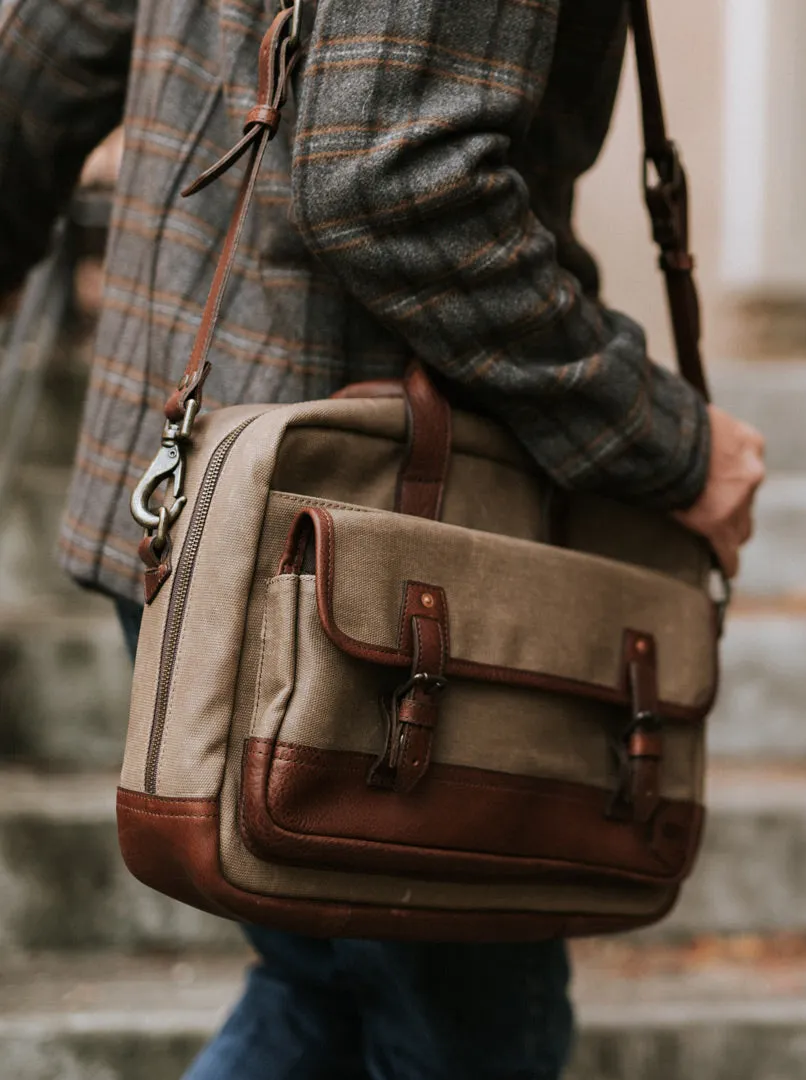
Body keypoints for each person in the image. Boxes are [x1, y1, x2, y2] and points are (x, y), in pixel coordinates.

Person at [0, 0, 765, 1076]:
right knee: (461, 1032)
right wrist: (674, 443)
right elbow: (396, 184)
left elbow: (55, 48)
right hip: (337, 531)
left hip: (189, 483)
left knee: (328, 987)